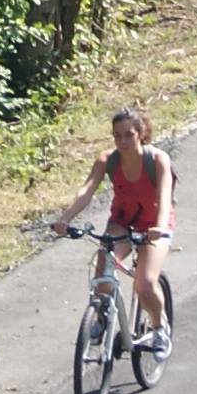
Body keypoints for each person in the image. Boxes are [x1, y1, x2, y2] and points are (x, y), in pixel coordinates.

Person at [59, 106, 175, 355]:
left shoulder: (157, 160)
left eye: (128, 135)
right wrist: (66, 218)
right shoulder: (108, 160)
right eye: (117, 136)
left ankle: (159, 329)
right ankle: (101, 319)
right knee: (104, 266)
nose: (122, 141)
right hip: (123, 220)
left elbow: (165, 196)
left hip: (154, 224)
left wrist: (160, 226)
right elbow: (87, 191)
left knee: (144, 284)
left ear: (141, 133)